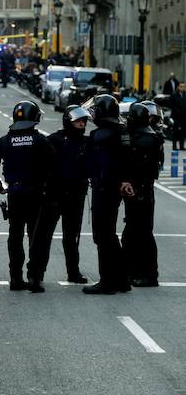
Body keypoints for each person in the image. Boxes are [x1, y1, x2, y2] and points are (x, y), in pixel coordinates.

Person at [0, 101, 55, 292]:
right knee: (36, 236)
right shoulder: (40, 140)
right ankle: (34, 278)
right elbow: (54, 165)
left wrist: (0, 188)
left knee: (15, 236)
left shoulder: (5, 141)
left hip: (14, 194)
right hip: (36, 193)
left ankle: (15, 278)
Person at [30, 105, 91, 285]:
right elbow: (38, 164)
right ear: (68, 121)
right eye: (78, 121)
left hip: (76, 194)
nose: (82, 124)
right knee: (43, 236)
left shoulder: (87, 142)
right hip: (53, 194)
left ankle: (73, 272)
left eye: (84, 121)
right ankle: (36, 275)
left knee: (72, 237)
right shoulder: (53, 140)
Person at [83, 94, 130, 294]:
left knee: (102, 235)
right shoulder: (122, 132)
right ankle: (121, 279)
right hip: (115, 189)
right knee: (110, 234)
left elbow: (90, 163)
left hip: (103, 188)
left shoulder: (99, 136)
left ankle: (107, 281)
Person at [120, 103, 163, 286]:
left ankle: (147, 274)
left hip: (140, 189)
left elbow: (134, 163)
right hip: (142, 189)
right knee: (138, 232)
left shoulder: (144, 138)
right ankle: (138, 272)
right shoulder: (151, 136)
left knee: (139, 233)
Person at [171, 82, 186, 150]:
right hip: (176, 116)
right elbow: (171, 105)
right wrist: (177, 111)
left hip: (184, 116)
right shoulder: (174, 95)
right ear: (178, 87)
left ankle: (181, 146)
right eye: (181, 86)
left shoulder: (185, 95)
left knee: (183, 131)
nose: (182, 88)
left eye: (183, 86)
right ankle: (174, 146)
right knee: (176, 131)